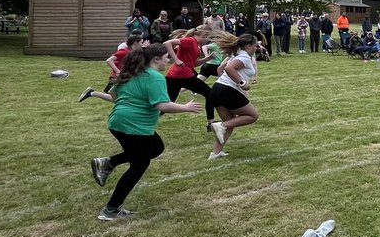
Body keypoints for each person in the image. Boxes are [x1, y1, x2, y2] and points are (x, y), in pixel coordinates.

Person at [90, 43, 202, 220]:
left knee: (156, 147)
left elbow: (114, 96)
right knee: (139, 165)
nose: (169, 59)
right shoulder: (155, 77)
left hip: (118, 121)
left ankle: (109, 162)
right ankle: (111, 209)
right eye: (167, 56)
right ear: (156, 59)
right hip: (134, 125)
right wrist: (186, 107)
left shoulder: (131, 73)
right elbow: (162, 105)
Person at [208, 34, 261, 159]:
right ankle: (220, 125)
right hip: (227, 90)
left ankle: (216, 153)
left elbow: (220, 69)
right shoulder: (244, 57)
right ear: (248, 46)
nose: (257, 47)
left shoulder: (236, 54)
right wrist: (242, 83)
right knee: (253, 116)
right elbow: (229, 68)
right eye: (255, 45)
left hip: (217, 89)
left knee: (230, 123)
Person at [163, 28, 216, 128]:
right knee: (209, 93)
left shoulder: (197, 44)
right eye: (209, 37)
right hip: (182, 75)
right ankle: (211, 123)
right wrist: (176, 59)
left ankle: (145, 118)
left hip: (176, 76)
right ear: (204, 35)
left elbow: (194, 64)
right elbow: (167, 43)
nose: (209, 40)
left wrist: (208, 58)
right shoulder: (190, 40)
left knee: (168, 103)